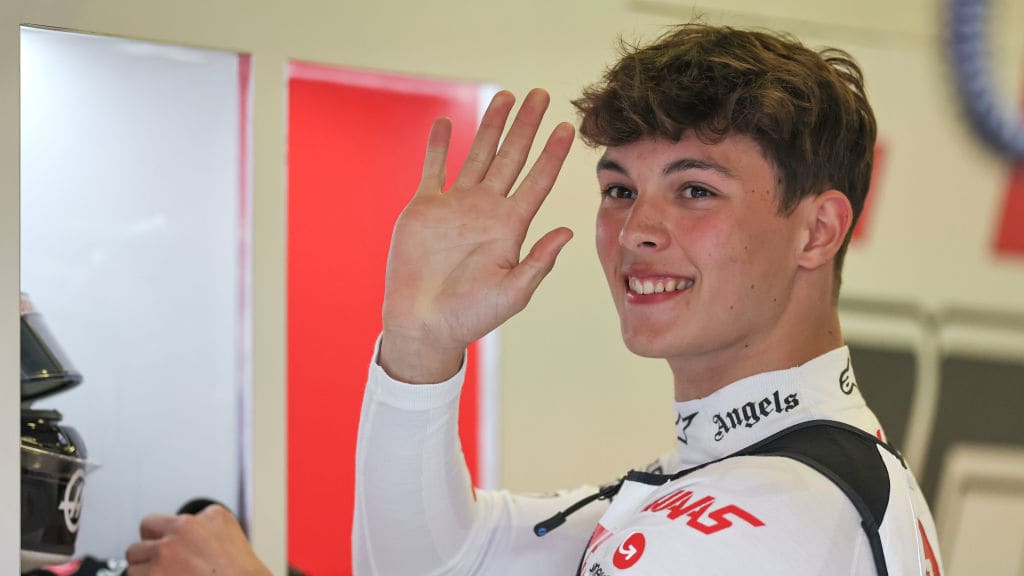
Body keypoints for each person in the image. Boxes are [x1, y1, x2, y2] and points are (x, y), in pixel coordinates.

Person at [125, 23, 944, 576]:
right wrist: (420, 347)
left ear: (817, 230)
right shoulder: (731, 476)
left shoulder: (780, 514)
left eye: (694, 190)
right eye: (620, 189)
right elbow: (435, 562)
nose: (638, 231)